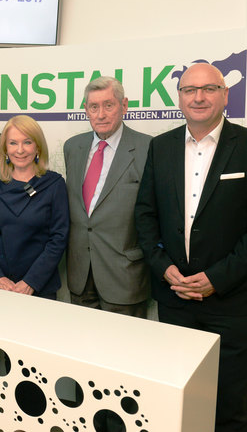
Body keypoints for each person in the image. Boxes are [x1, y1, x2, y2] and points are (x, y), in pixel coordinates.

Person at [134, 63, 247, 431]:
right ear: (179, 97)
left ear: (225, 94)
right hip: (175, 300)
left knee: (229, 406)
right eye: (189, 90)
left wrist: (216, 278)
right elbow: (144, 214)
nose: (198, 97)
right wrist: (162, 266)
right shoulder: (161, 146)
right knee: (178, 401)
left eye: (209, 88)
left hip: (231, 304)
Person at [64, 76, 152, 317]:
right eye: (94, 107)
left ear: (124, 106)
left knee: (125, 350)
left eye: (108, 105)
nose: (100, 114)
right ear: (86, 110)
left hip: (124, 275)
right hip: (80, 274)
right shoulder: (73, 147)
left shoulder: (148, 148)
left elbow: (155, 214)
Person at [0, 115, 68, 299]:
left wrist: (31, 282)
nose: (20, 150)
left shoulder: (54, 184)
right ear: (5, 148)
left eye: (27, 142)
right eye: (13, 143)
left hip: (40, 287)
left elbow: (58, 238)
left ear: (38, 147)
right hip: (2, 287)